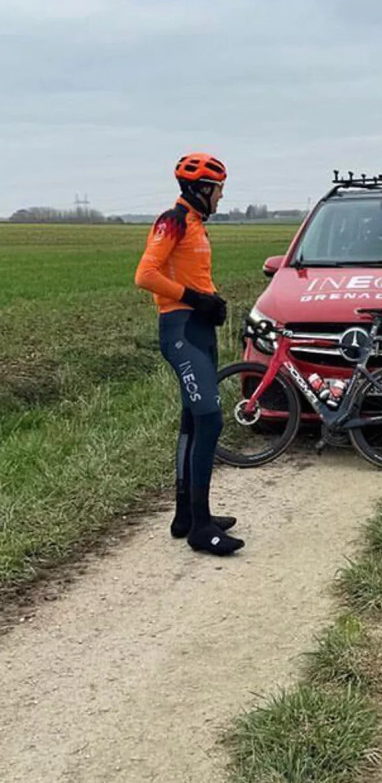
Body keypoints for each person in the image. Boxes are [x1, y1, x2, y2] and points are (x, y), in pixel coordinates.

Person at [135, 153, 244, 554]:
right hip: (181, 330)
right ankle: (201, 528)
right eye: (217, 191)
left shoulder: (196, 225)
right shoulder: (173, 221)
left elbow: (191, 273)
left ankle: (187, 516)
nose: (220, 198)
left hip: (198, 330)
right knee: (211, 422)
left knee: (193, 422)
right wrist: (196, 300)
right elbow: (145, 275)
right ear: (200, 189)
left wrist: (209, 300)